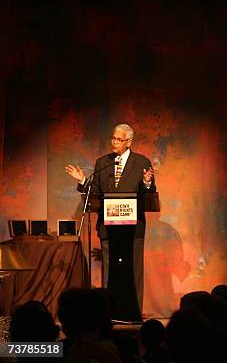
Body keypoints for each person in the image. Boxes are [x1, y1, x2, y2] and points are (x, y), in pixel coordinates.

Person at [65, 123, 156, 321]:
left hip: (133, 229)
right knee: (109, 270)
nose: (114, 142)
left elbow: (148, 194)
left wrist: (147, 183)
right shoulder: (103, 162)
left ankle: (134, 313)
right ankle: (108, 314)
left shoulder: (142, 162)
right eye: (113, 138)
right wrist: (83, 181)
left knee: (133, 271)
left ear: (129, 141)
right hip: (108, 226)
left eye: (119, 139)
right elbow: (95, 192)